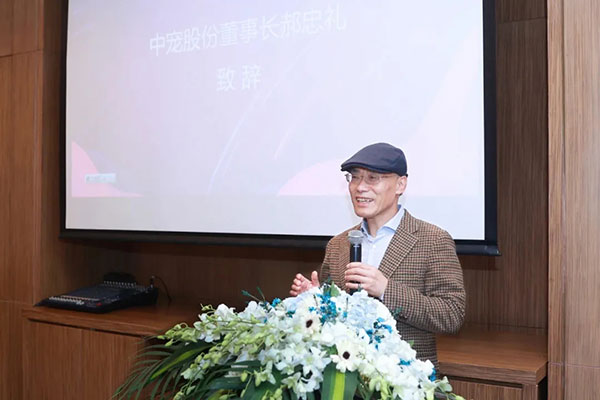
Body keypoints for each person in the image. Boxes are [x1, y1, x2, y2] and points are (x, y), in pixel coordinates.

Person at [289, 142, 465, 367]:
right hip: (346, 376)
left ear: (400, 184)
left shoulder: (432, 240)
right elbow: (333, 321)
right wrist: (314, 300)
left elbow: (452, 315)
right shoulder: (338, 245)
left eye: (373, 178)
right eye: (354, 178)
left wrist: (385, 289)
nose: (360, 187)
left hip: (405, 378)